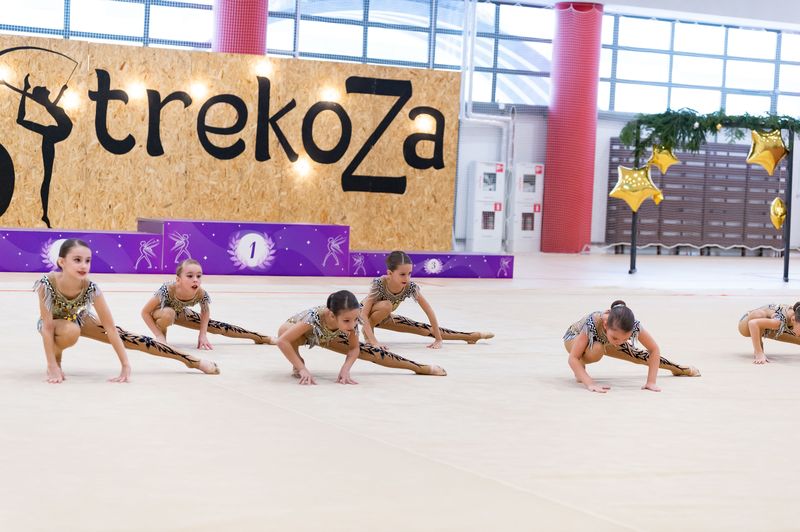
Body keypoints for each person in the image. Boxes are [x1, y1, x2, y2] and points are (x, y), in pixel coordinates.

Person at [35, 239, 219, 383]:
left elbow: (111, 328)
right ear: (61, 262)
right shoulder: (47, 284)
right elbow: (48, 327)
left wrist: (125, 364)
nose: (83, 265)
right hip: (55, 326)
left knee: (133, 339)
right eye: (77, 260)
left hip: (80, 319)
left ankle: (193, 362)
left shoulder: (91, 288)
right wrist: (52, 364)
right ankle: (57, 362)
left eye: (87, 261)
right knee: (71, 331)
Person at [275, 290, 446, 385]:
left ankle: (418, 367)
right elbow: (282, 341)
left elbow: (354, 348)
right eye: (347, 321)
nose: (352, 325)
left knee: (372, 352)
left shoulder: (351, 320)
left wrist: (346, 368)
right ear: (332, 315)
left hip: (329, 336)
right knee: (284, 330)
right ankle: (298, 361)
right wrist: (302, 368)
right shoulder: (313, 318)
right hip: (303, 336)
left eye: (355, 319)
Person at [360, 251, 493, 348]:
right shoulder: (380, 283)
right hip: (363, 315)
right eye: (402, 274)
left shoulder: (410, 286)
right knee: (386, 305)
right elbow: (364, 314)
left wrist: (438, 339)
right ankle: (367, 334)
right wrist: (373, 341)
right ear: (390, 273)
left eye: (409, 274)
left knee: (425, 329)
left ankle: (470, 336)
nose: (407, 278)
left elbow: (428, 310)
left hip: (385, 317)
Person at [563, 300, 700, 393]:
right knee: (597, 348)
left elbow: (654, 350)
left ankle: (678, 369)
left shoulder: (633, 326)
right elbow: (572, 358)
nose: (619, 342)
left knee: (637, 354)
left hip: (604, 341)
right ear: (605, 325)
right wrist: (590, 383)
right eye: (616, 338)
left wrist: (651, 382)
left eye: (626, 338)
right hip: (574, 339)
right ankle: (581, 369)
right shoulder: (594, 321)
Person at [141, 258, 271, 349]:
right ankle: (162, 337)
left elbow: (205, 311)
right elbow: (145, 312)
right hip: (160, 313)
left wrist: (202, 334)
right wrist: (158, 334)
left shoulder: (201, 293)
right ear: (178, 279)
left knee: (219, 327)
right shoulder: (167, 289)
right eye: (190, 276)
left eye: (199, 276)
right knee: (168, 313)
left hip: (180, 313)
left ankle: (261, 337)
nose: (195, 280)